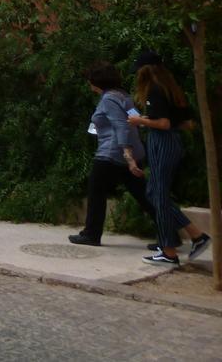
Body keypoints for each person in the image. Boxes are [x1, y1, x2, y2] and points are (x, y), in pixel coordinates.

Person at [129, 52, 211, 267]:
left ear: (146, 70)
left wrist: (140, 120)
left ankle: (169, 251)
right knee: (154, 193)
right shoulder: (171, 89)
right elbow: (186, 123)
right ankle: (195, 235)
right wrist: (152, 120)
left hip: (162, 142)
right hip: (173, 142)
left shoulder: (154, 90)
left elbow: (163, 123)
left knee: (157, 195)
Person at [69, 63, 156, 247]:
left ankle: (91, 234)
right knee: (143, 194)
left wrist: (128, 156)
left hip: (111, 152)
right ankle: (169, 232)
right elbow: (136, 120)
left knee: (96, 191)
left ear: (96, 82)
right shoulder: (124, 96)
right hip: (132, 150)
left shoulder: (108, 99)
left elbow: (121, 126)